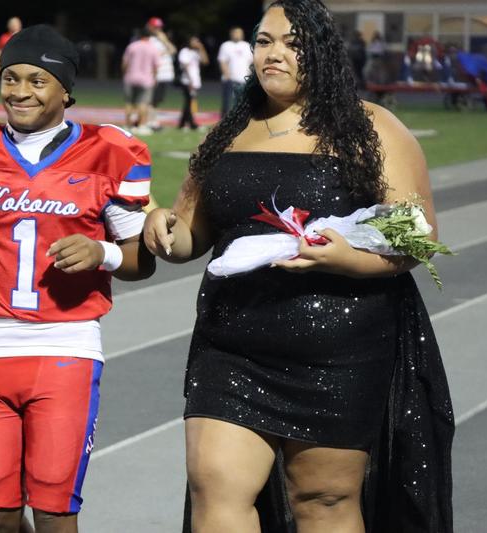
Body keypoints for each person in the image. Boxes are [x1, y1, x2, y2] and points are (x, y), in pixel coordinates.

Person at [143, 2, 454, 532]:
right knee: (214, 485)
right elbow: (190, 235)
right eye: (264, 42)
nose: (274, 53)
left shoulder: (372, 127)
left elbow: (416, 236)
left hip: (339, 347)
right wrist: (161, 229)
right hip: (233, 345)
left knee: (323, 498)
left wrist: (346, 257)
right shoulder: (228, 132)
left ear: (323, 55)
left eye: (292, 43)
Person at [0, 24, 156, 533]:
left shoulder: (108, 153)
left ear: (66, 90)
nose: (20, 91)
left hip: (66, 346)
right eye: (10, 78)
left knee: (53, 514)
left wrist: (104, 253)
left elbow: (143, 261)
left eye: (36, 80)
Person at [122, 27, 160, 135]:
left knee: (129, 102)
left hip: (131, 77)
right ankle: (141, 125)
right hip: (146, 79)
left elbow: (125, 63)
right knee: (143, 103)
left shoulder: (132, 46)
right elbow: (156, 66)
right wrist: (155, 77)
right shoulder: (153, 48)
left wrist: (125, 74)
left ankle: (128, 125)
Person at [146, 17, 177, 130]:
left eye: (159, 27)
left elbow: (173, 50)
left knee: (157, 101)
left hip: (165, 75)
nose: (158, 30)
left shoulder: (162, 39)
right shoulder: (149, 40)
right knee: (151, 100)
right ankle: (150, 122)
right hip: (156, 75)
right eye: (155, 27)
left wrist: (164, 40)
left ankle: (153, 121)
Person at [217, 26, 253, 117]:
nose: (237, 35)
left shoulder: (246, 46)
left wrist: (250, 75)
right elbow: (222, 61)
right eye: (235, 33)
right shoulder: (226, 45)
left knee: (241, 103)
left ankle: (239, 123)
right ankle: (223, 123)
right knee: (227, 103)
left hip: (243, 79)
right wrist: (226, 74)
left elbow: (251, 62)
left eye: (239, 33)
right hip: (230, 79)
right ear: (231, 34)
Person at [177, 35, 209, 131]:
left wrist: (202, 48)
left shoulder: (196, 52)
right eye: (194, 41)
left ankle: (182, 123)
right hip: (187, 81)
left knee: (189, 102)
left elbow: (205, 61)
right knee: (189, 102)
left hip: (194, 81)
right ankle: (192, 124)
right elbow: (185, 66)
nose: (196, 43)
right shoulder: (184, 51)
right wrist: (190, 80)